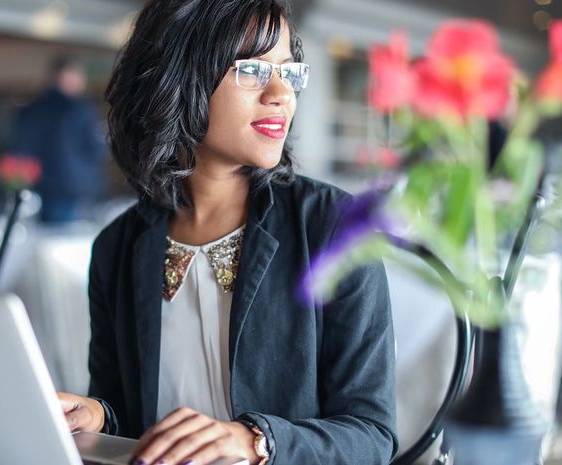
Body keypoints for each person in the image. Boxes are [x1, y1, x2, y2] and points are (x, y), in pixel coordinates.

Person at [56, 1, 397, 464]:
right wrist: (99, 417)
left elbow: (372, 436)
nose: (281, 93)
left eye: (290, 73)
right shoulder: (117, 247)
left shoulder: (332, 227)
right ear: (179, 74)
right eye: (253, 71)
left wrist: (256, 441)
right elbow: (133, 419)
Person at [9, 55, 107, 223]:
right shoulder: (79, 109)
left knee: (50, 237)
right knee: (72, 241)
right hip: (75, 187)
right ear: (66, 76)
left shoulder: (31, 109)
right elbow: (97, 148)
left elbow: (20, 147)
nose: (81, 81)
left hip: (42, 184)